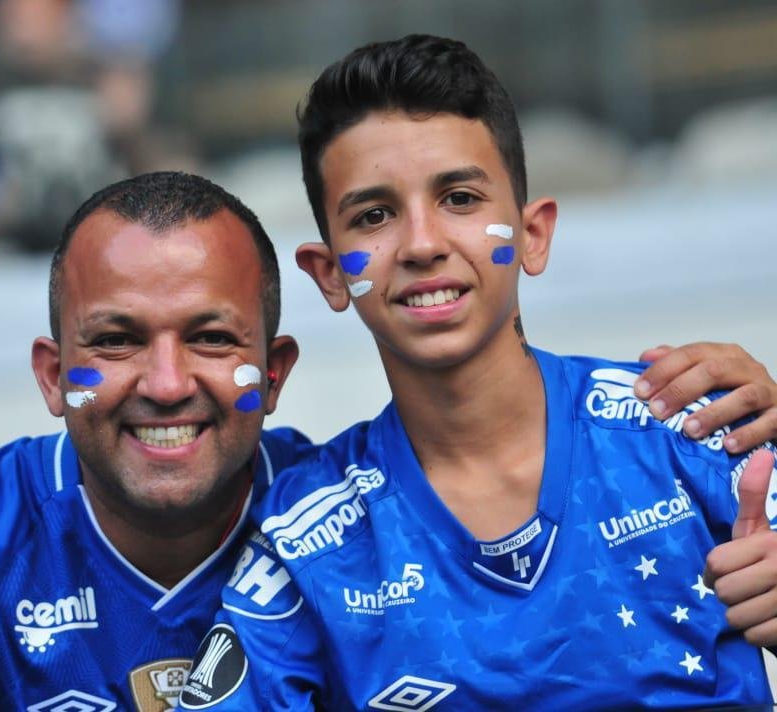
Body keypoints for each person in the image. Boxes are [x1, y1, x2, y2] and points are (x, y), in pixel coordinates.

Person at [0, 176, 773, 706]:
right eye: (116, 342)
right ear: (50, 376)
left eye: (211, 340)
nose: (166, 384)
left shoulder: (354, 508)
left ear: (277, 372)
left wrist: (728, 452)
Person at [181, 35, 777, 710]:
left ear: (533, 234)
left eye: (459, 198)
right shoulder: (308, 539)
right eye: (374, 215)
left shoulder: (688, 423)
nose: (422, 244)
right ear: (328, 274)